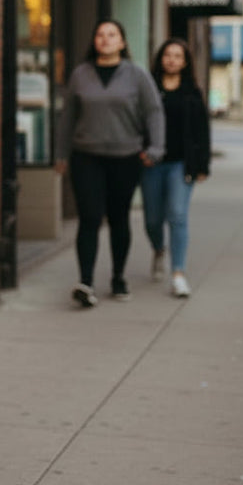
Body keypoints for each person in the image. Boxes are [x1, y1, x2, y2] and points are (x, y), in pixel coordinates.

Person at [55, 19, 165, 306]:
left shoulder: (136, 74)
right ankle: (86, 282)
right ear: (94, 41)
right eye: (100, 35)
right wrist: (60, 153)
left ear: (122, 42)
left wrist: (155, 147)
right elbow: (67, 117)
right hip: (86, 156)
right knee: (89, 218)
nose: (105, 39)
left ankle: (118, 278)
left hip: (126, 158)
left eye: (112, 34)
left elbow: (153, 111)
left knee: (119, 218)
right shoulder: (81, 74)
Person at [140, 38, 210, 298]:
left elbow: (202, 130)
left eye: (178, 56)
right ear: (160, 59)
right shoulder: (149, 88)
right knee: (152, 220)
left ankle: (178, 273)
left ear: (185, 62)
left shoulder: (192, 92)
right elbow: (138, 122)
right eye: (167, 55)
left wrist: (203, 165)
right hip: (152, 163)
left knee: (178, 215)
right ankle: (159, 249)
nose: (172, 60)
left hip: (181, 164)